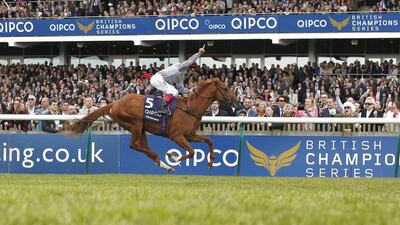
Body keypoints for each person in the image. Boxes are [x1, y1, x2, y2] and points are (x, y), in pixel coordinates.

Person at [150, 45, 206, 115]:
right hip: (158, 78)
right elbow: (189, 61)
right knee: (174, 92)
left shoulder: (180, 77)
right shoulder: (180, 67)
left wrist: (192, 91)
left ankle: (166, 109)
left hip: (160, 81)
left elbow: (181, 89)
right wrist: (199, 53)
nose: (192, 71)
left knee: (174, 92)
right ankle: (162, 109)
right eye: (192, 69)